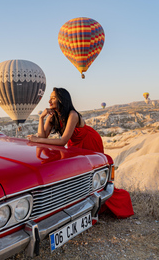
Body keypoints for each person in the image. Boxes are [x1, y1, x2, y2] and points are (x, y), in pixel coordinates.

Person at [27, 87, 134, 219]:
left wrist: (37, 139)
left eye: (53, 98)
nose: (49, 100)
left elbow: (62, 141)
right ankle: (83, 206)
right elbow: (42, 137)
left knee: (95, 174)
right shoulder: (52, 117)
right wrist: (41, 118)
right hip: (75, 145)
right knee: (80, 176)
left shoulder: (72, 114)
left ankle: (106, 202)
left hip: (89, 140)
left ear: (62, 99)